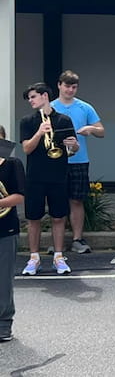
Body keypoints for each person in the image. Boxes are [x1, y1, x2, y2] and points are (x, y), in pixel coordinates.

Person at [20, 82, 78, 276]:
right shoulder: (27, 121)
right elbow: (26, 148)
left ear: (45, 96)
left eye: (33, 97)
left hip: (58, 174)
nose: (31, 101)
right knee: (33, 217)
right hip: (35, 176)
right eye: (29, 98)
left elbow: (72, 150)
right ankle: (34, 257)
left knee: (58, 216)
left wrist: (73, 145)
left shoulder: (64, 120)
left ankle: (58, 256)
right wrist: (39, 133)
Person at [51, 70, 104, 254]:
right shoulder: (50, 107)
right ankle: (56, 241)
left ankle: (77, 239)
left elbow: (101, 131)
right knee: (57, 200)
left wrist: (90, 128)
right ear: (59, 85)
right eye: (67, 86)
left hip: (79, 160)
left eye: (74, 87)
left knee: (77, 200)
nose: (70, 90)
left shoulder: (84, 107)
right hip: (55, 160)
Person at [0, 125, 27, 343]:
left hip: (5, 229)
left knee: (3, 280)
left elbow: (18, 197)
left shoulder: (12, 165)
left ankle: (3, 325)